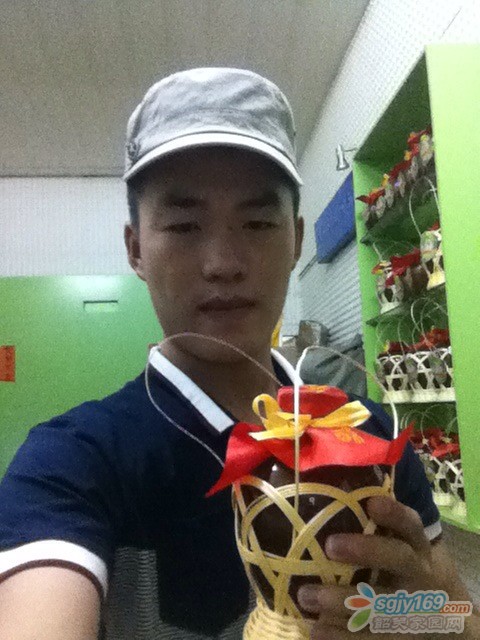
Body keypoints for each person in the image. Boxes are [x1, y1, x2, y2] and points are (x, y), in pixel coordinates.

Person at [0, 68, 477, 640]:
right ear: (135, 249)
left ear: (296, 240)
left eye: (257, 222)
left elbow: (459, 619)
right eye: (184, 225)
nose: (223, 263)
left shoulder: (369, 437)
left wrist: (432, 617)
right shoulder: (75, 464)